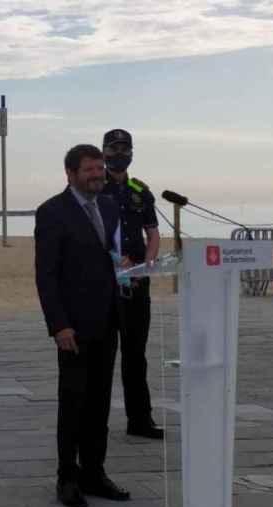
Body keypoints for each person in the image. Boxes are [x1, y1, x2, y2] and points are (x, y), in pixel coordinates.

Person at [35, 144, 131, 507]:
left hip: (108, 320)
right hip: (73, 327)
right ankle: (67, 478)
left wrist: (122, 267)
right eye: (90, 170)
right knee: (73, 403)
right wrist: (58, 325)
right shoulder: (52, 212)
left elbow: (108, 254)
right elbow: (46, 275)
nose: (97, 175)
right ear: (70, 174)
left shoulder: (109, 205)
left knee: (100, 403)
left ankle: (95, 472)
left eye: (100, 168)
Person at [101, 129, 164, 439]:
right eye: (114, 148)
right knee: (101, 354)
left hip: (137, 284)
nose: (120, 153)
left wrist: (148, 263)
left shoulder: (141, 190)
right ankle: (94, 422)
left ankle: (140, 419)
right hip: (104, 285)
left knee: (136, 354)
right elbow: (89, 233)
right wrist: (114, 259)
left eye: (125, 148)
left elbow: (152, 233)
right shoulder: (95, 189)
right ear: (104, 152)